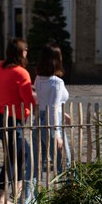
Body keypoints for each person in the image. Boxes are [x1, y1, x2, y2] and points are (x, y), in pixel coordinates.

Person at [0, 38, 36, 204]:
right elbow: (27, 99)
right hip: (14, 119)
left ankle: (15, 194)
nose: (27, 52)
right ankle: (1, 198)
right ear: (21, 53)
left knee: (17, 155)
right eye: (26, 49)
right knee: (18, 155)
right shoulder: (21, 72)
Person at [33, 43, 71, 176]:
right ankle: (67, 195)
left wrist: (63, 113)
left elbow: (42, 100)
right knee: (64, 163)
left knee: (36, 165)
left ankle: (29, 196)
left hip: (40, 120)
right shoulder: (57, 82)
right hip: (52, 122)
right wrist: (57, 134)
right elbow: (53, 107)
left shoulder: (38, 78)